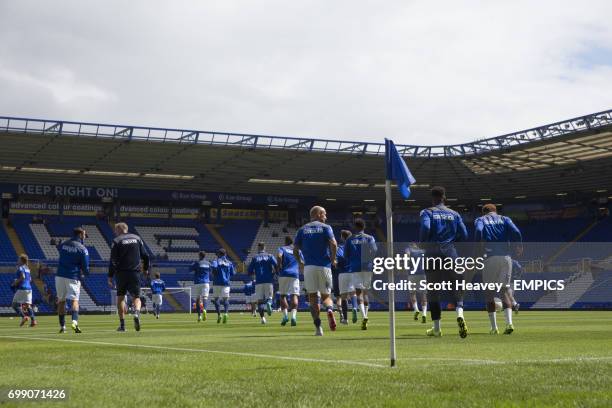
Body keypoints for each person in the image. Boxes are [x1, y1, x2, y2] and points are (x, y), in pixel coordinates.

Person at [419, 186, 468, 338]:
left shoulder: (428, 212)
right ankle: (460, 314)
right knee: (456, 288)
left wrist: (423, 242)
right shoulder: (455, 214)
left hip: (432, 254)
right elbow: (464, 234)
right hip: (451, 254)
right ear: (444, 197)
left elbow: (426, 227)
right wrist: (453, 243)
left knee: (433, 292)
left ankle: (437, 328)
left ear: (432, 198)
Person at [474, 204, 522, 335]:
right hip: (506, 259)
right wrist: (519, 245)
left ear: (484, 212)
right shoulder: (505, 219)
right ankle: (509, 324)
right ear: (495, 211)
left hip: (490, 258)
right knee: (504, 291)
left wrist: (478, 247)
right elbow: (517, 232)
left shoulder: (480, 220)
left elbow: (478, 231)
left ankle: (494, 328)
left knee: (489, 293)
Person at [294, 205, 337, 336]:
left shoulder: (302, 229)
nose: (326, 216)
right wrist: (333, 259)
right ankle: (329, 309)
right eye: (324, 214)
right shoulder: (326, 227)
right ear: (318, 214)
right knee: (326, 296)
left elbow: (295, 249)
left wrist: (300, 262)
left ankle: (318, 328)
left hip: (309, 267)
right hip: (324, 266)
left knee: (312, 298)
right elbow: (334, 243)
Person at [107, 222, 150, 332]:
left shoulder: (116, 241)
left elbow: (112, 261)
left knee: (121, 298)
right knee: (136, 297)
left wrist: (110, 276)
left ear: (119, 229)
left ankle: (122, 326)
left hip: (121, 273)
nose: (115, 232)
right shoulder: (137, 238)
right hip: (135, 273)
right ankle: (136, 313)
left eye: (115, 230)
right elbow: (146, 256)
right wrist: (145, 269)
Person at [344, 219, 378, 330]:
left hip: (355, 267)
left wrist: (353, 260)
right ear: (364, 227)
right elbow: (374, 250)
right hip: (367, 267)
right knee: (366, 291)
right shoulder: (369, 238)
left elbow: (346, 255)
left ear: (355, 227)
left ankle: (364, 316)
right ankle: (366, 316)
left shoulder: (350, 239)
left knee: (358, 293)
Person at [56, 227, 89, 333]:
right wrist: (86, 274)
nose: (84, 237)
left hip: (60, 275)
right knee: (75, 300)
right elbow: (85, 267)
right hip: (73, 276)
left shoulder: (64, 244)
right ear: (80, 235)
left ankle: (62, 326)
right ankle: (74, 322)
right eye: (84, 235)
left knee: (61, 301)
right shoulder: (82, 248)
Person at [248, 242, 278, 325]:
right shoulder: (270, 256)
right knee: (270, 297)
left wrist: (253, 273)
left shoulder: (255, 257)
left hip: (259, 282)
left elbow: (249, 271)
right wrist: (274, 273)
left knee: (260, 302)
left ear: (258, 248)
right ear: (264, 247)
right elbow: (276, 265)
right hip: (268, 280)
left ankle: (263, 318)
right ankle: (269, 303)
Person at [277, 236, 303, 327]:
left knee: (282, 296)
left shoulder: (282, 248)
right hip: (294, 274)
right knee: (294, 295)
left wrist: (279, 265)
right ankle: (293, 317)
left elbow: (279, 256)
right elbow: (302, 262)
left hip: (284, 274)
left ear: (285, 242)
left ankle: (285, 316)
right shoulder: (298, 250)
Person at [337, 230, 358, 325]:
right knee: (353, 293)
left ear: (342, 237)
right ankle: (354, 307)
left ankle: (345, 319)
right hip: (353, 272)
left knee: (343, 297)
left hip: (342, 273)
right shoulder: (355, 247)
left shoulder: (339, 248)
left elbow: (337, 260)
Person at [11, 254, 37, 327]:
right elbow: (30, 279)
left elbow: (22, 277)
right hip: (29, 289)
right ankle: (33, 320)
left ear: (22, 260)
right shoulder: (28, 269)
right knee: (28, 305)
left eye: (19, 259)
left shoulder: (21, 268)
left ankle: (23, 317)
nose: (18, 260)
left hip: (22, 288)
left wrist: (15, 283)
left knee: (14, 305)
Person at [211, 248, 235, 324]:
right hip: (226, 283)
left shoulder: (215, 261)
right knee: (226, 299)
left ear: (219, 254)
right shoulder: (229, 263)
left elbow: (213, 268)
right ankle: (226, 313)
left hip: (217, 283)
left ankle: (219, 315)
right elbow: (233, 273)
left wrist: (215, 273)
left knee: (216, 299)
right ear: (225, 254)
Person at [406, 243, 427, 324]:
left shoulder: (409, 250)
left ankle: (416, 310)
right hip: (422, 274)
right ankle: (424, 314)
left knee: (412, 293)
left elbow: (407, 258)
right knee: (423, 294)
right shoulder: (423, 251)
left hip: (412, 274)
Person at [190, 251, 212, 322]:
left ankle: (199, 316)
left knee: (197, 299)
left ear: (199, 256)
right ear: (205, 256)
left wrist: (192, 264)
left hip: (198, 282)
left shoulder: (197, 263)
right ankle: (204, 310)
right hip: (206, 282)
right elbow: (211, 271)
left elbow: (190, 269)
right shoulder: (208, 263)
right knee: (205, 297)